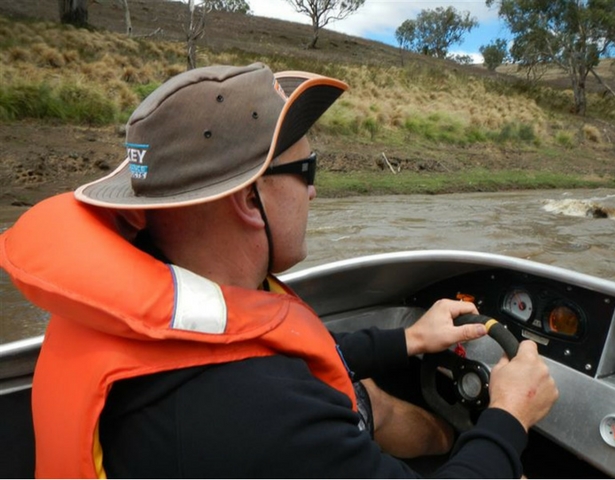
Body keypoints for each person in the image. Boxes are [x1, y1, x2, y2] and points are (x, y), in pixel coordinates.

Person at [0, 62, 558, 478]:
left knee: (366, 395)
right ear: (248, 200)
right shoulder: (257, 415)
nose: (314, 190)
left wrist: (406, 339)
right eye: (306, 170)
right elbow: (264, 394)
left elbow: (257, 340)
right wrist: (509, 416)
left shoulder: (132, 312)